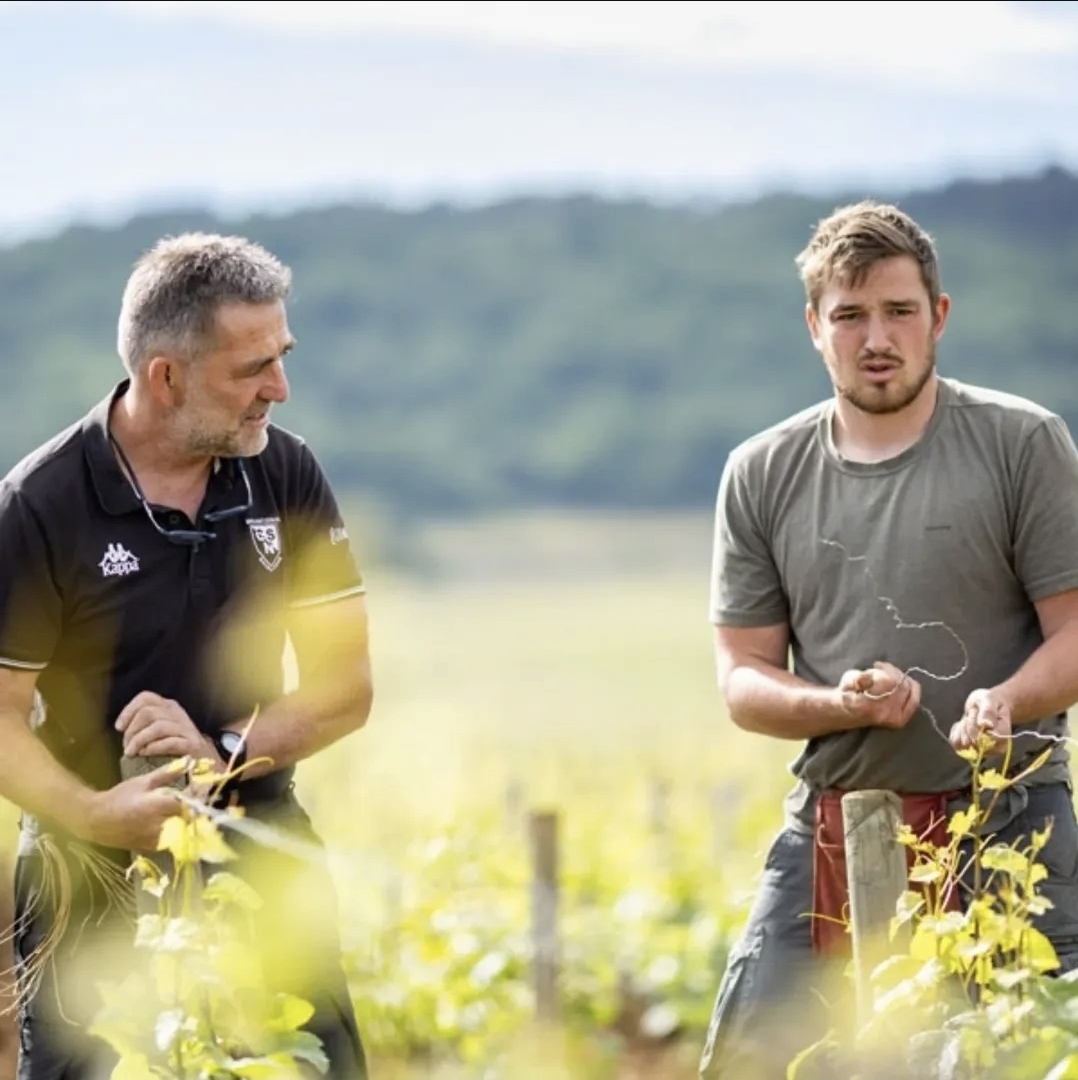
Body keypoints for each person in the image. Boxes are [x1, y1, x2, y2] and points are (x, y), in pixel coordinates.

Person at [698, 201, 1078, 1080]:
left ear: (938, 317)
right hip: (831, 823)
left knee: (1022, 1059)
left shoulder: (1023, 444)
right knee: (753, 1061)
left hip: (1006, 826)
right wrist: (836, 704)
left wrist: (1007, 700)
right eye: (851, 315)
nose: (878, 337)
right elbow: (743, 678)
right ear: (814, 327)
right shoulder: (762, 471)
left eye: (900, 311)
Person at [0, 233, 374, 1078]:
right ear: (166, 376)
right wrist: (97, 815)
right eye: (252, 369)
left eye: (281, 356)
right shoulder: (38, 504)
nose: (279, 388)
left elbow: (347, 687)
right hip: (83, 862)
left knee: (316, 1065)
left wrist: (222, 757)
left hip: (255, 831)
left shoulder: (287, 471)